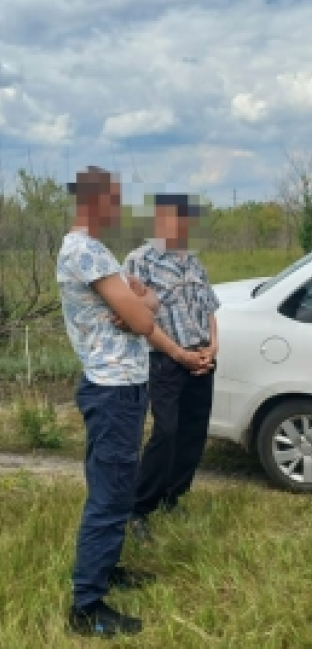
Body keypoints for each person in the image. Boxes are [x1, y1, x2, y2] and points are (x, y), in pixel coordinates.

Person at [59, 168, 208, 638]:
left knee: (116, 488)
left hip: (120, 385)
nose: (120, 210)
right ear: (95, 201)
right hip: (112, 388)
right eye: (115, 201)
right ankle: (87, 605)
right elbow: (145, 319)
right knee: (110, 494)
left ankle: (105, 570)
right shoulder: (84, 249)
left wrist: (139, 305)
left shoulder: (97, 252)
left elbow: (150, 305)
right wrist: (138, 307)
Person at [125, 194, 220, 542]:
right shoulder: (140, 262)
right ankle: (138, 507)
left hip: (200, 358)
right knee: (166, 432)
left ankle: (173, 496)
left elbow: (209, 309)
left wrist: (212, 346)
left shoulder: (194, 262)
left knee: (193, 432)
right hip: (165, 360)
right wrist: (180, 355)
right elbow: (139, 319)